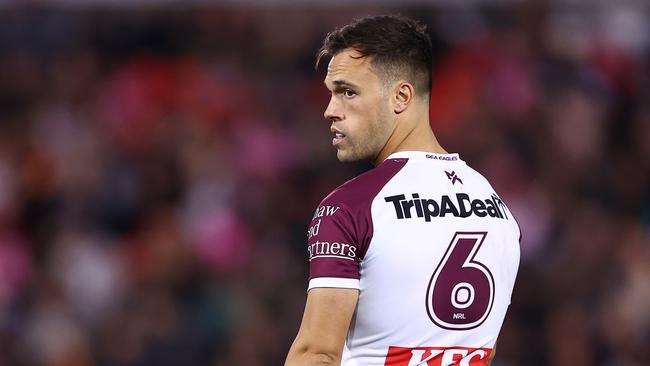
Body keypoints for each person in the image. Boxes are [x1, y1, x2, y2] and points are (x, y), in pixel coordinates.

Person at [285, 14, 520, 366]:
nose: (330, 111)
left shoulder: (349, 209)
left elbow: (316, 354)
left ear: (400, 96)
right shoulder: (499, 211)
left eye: (348, 92)